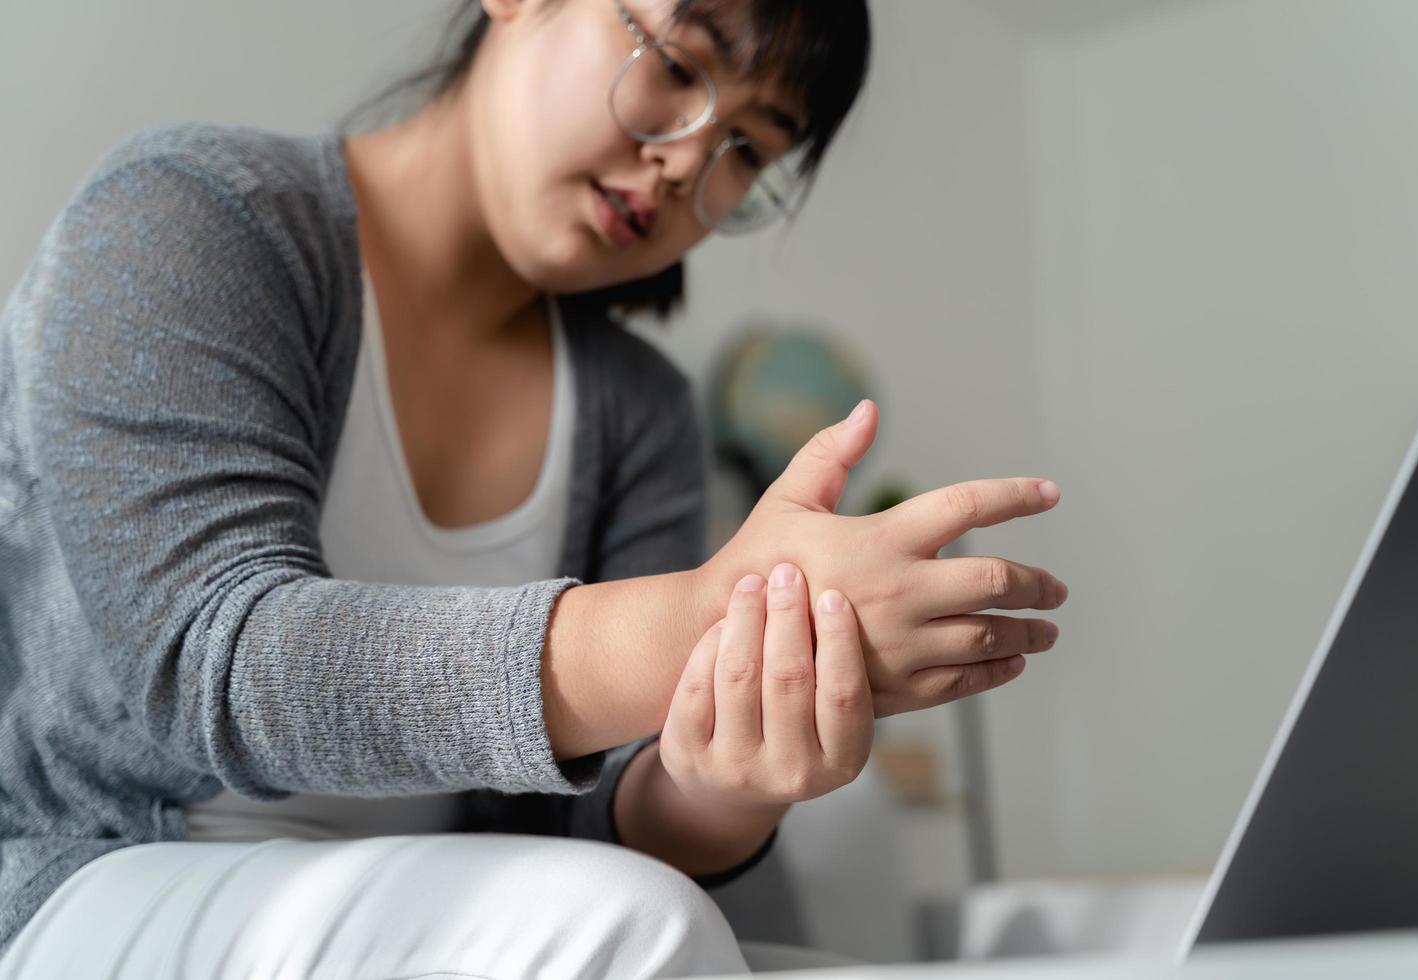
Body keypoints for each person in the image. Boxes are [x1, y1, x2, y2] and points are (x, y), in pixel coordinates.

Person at [0, 0, 1067, 975]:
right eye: (680, 63)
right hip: (84, 882)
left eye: (749, 146)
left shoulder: (636, 409)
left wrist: (721, 781)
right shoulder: (192, 217)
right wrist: (698, 615)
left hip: (420, 913)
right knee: (627, 927)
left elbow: (592, 816)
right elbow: (217, 662)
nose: (687, 161)